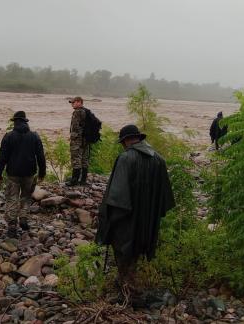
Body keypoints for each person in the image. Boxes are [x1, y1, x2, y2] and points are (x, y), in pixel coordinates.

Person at [95, 124, 175, 293]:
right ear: (139, 138)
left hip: (127, 220)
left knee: (124, 250)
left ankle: (129, 291)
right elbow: (165, 199)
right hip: (148, 222)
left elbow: (117, 198)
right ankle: (127, 283)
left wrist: (108, 222)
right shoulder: (159, 160)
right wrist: (151, 217)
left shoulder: (125, 158)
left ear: (124, 141)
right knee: (137, 250)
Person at [0, 111, 47, 238]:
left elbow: (2, 156)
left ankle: (12, 225)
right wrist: (42, 173)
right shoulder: (34, 136)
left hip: (13, 173)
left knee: (12, 197)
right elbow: (41, 156)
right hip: (29, 173)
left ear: (15, 122)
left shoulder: (8, 136)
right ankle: (23, 217)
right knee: (26, 196)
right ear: (25, 122)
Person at [67, 96, 90, 186]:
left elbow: (76, 128)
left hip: (77, 141)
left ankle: (74, 181)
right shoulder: (87, 111)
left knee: (76, 160)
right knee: (84, 160)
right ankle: (83, 180)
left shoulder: (77, 112)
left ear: (79, 102)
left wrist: (73, 138)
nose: (72, 104)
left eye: (74, 102)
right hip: (86, 140)